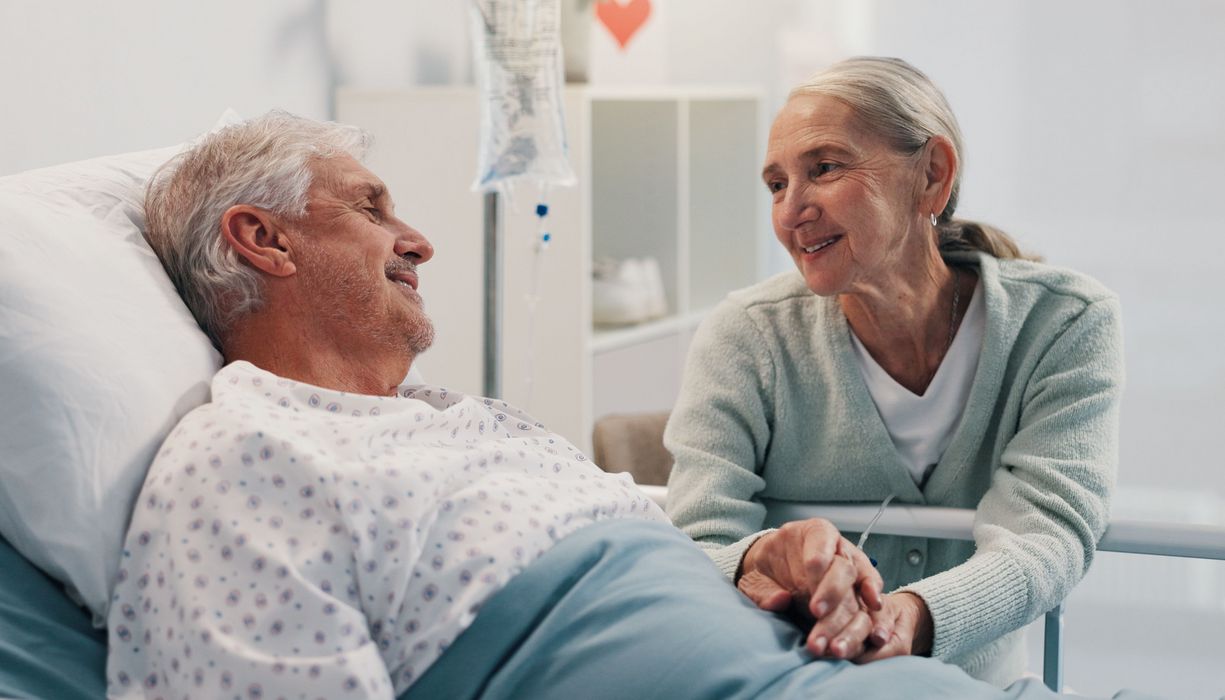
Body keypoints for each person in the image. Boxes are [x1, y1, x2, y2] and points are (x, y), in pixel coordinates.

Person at [106, 111, 1135, 700]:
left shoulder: (454, 422)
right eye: (372, 209)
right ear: (264, 241)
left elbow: (667, 563)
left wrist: (753, 566)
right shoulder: (249, 458)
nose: (418, 238)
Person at [664, 56, 1124, 687]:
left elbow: (1048, 533)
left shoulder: (1065, 323)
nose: (791, 211)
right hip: (795, 682)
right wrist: (760, 557)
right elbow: (695, 542)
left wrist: (910, 618)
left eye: (823, 168)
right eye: (776, 184)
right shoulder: (747, 336)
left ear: (931, 176)